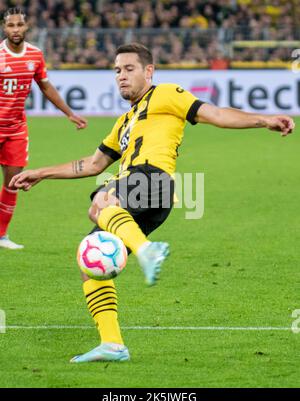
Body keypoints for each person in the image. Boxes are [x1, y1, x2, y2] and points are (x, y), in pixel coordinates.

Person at [10, 43, 294, 363]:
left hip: (152, 177)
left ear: (148, 71)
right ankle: (113, 344)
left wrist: (264, 120)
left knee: (100, 202)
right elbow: (92, 165)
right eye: (117, 70)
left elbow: (214, 114)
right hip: (142, 196)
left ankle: (147, 250)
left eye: (129, 69)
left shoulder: (167, 93)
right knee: (89, 263)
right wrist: (41, 173)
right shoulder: (125, 121)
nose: (121, 76)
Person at [0, 7, 87, 250]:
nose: (15, 29)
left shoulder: (35, 55)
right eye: (11, 25)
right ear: (4, 28)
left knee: (13, 182)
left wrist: (70, 113)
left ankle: (1, 235)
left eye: (19, 25)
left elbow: (46, 87)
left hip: (16, 129)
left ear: (26, 27)